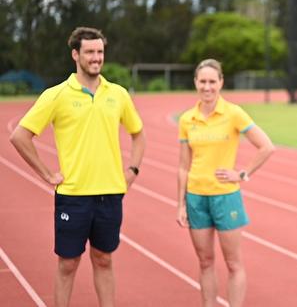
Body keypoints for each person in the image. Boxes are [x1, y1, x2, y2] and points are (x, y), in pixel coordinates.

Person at [9, 27, 145, 307]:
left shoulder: (117, 94)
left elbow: (138, 134)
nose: (96, 58)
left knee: (104, 260)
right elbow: (19, 136)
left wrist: (132, 170)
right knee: (68, 264)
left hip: (110, 194)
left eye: (100, 52)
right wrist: (47, 173)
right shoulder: (57, 95)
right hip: (73, 196)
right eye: (90, 52)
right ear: (75, 54)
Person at [176, 59, 275, 307]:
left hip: (225, 196)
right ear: (195, 83)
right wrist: (180, 204)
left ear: (221, 82)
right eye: (202, 81)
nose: (207, 87)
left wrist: (242, 174)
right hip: (196, 197)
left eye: (212, 81)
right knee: (205, 262)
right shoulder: (187, 119)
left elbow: (266, 146)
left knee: (233, 263)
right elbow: (182, 166)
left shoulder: (233, 113)